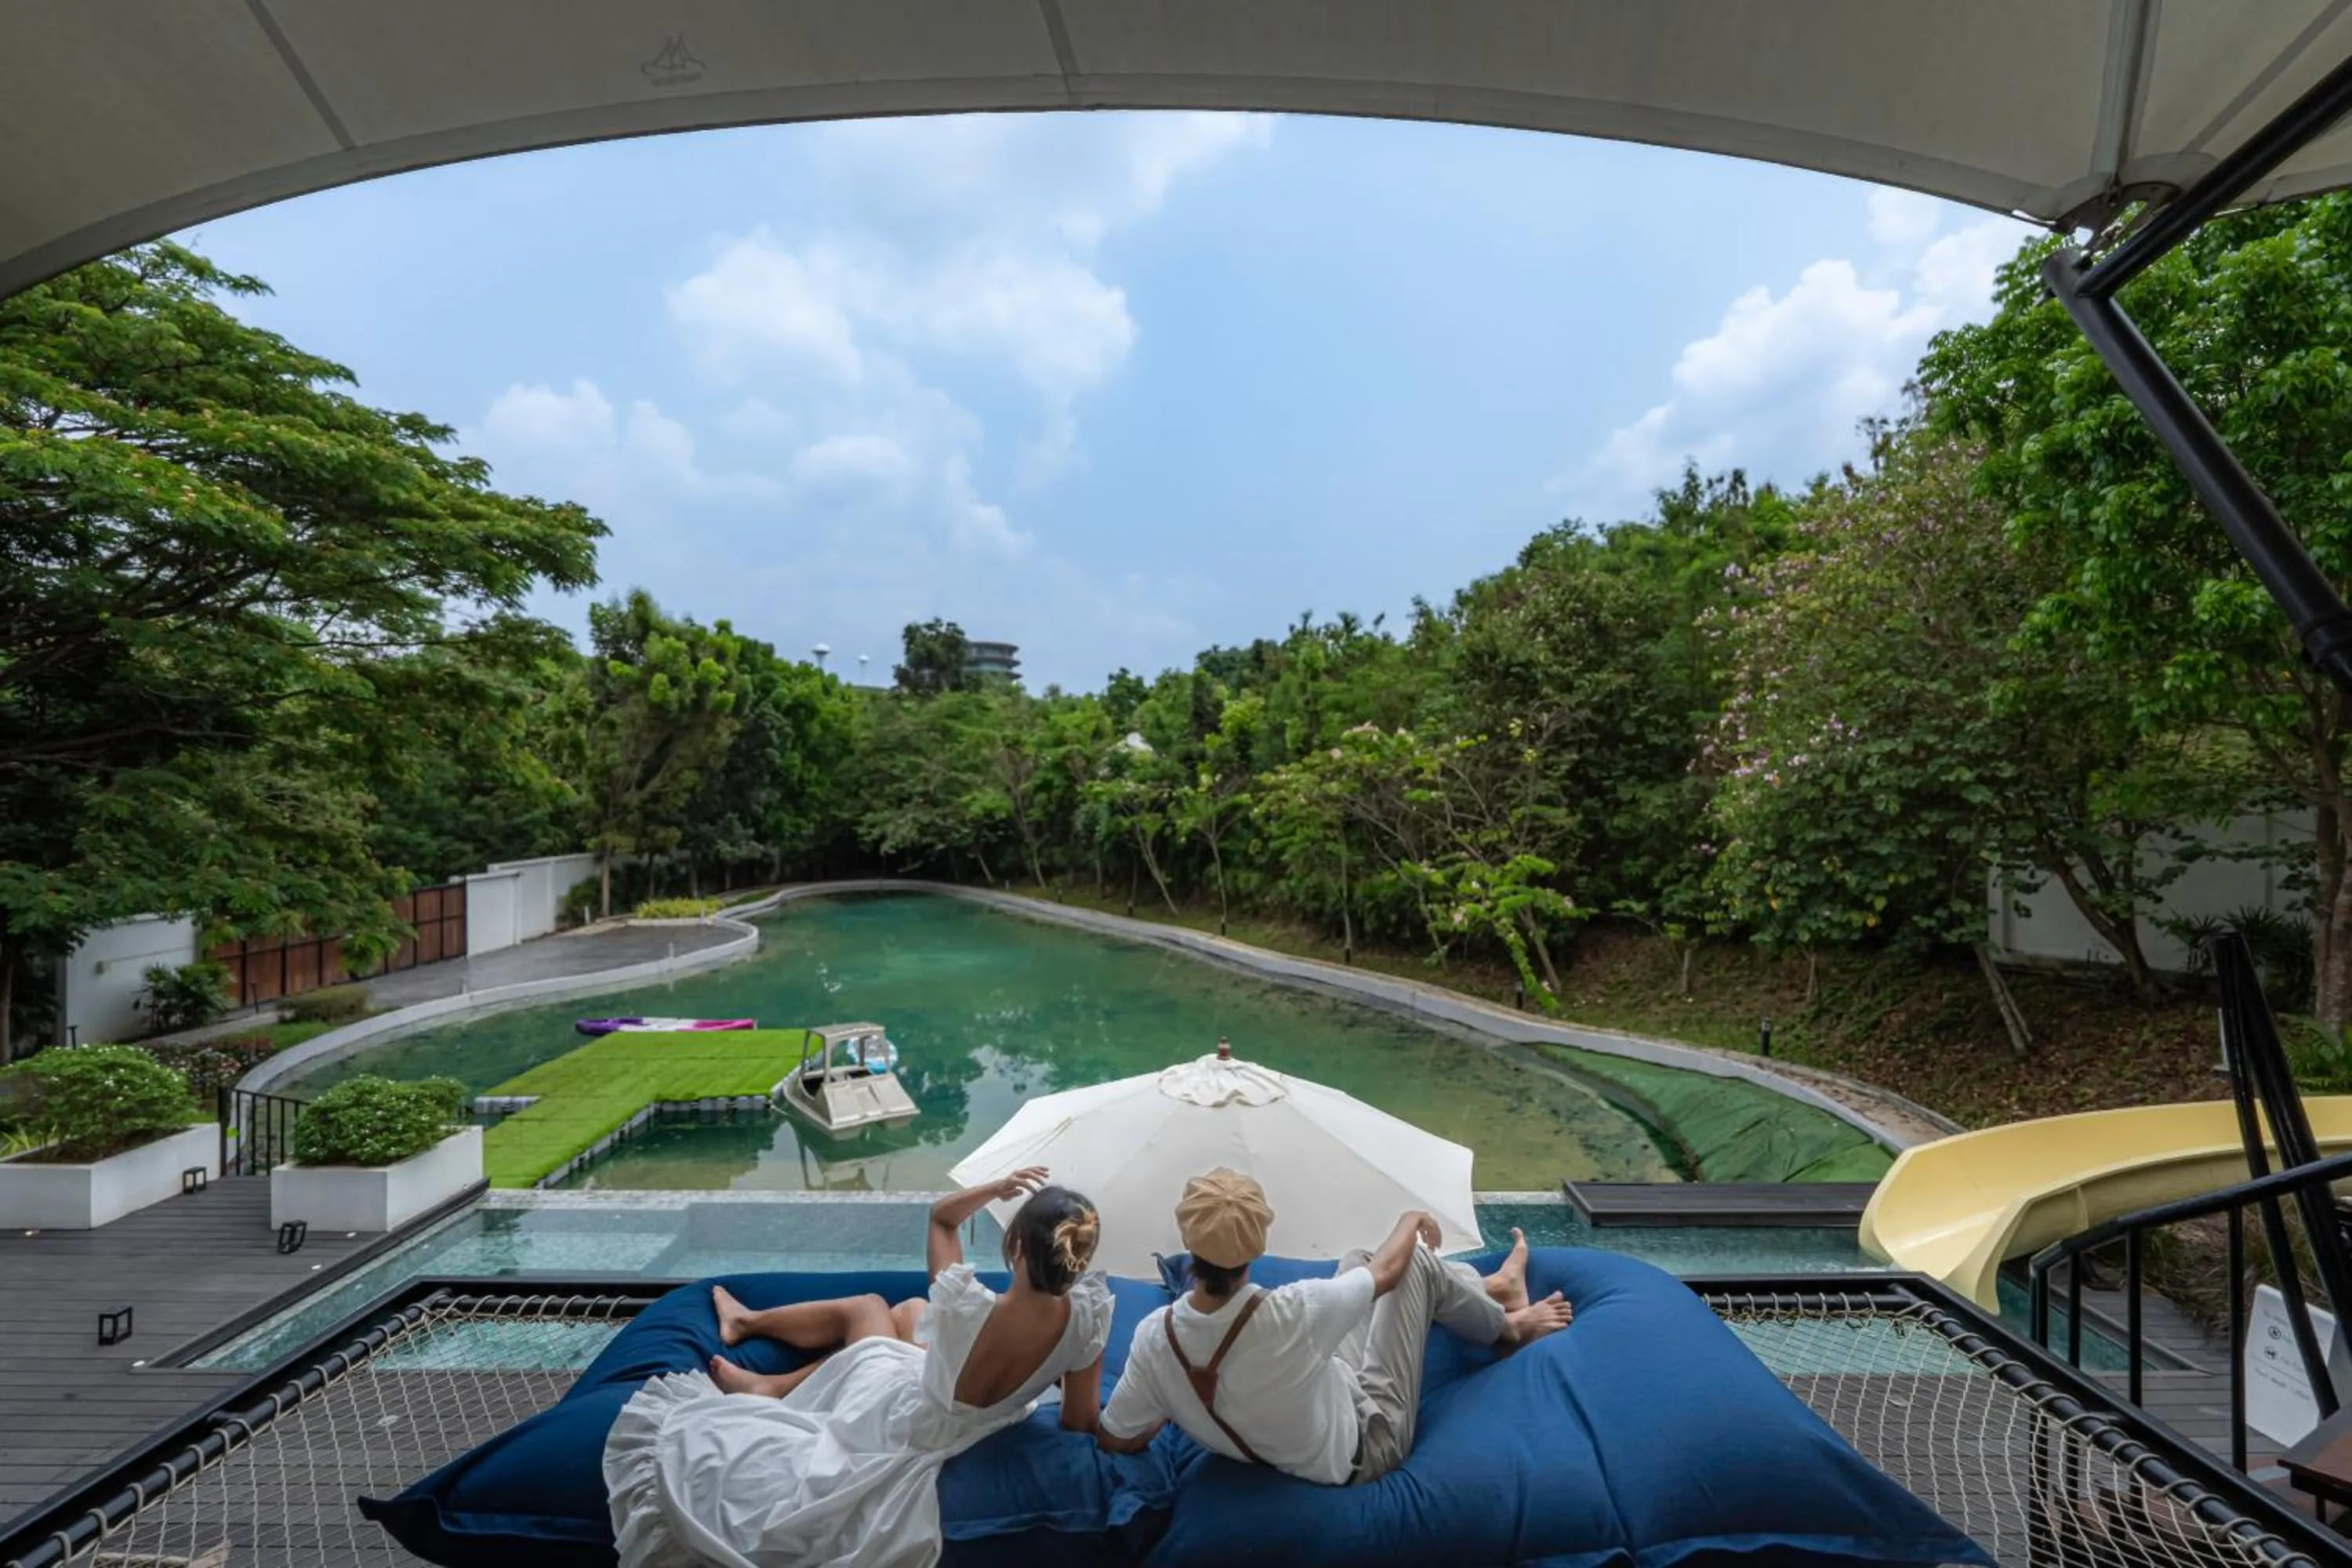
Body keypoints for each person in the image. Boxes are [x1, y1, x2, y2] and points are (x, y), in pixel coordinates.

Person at [604, 1168, 1111, 1568]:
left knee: (869, 1308)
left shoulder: (966, 1307)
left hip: (905, 1419)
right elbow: (1080, 1419)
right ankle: (771, 1383)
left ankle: (748, 1323)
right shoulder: (1088, 1321)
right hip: (977, 1425)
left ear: (1017, 1246)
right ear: (1077, 1263)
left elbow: (941, 1218)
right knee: (909, 1314)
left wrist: (998, 1187)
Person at [1094, 1167, 1571, 1486]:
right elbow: (1389, 1274)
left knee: (1356, 1261)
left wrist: (1175, 1399)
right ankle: (1511, 1329)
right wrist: (1412, 1218)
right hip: (1368, 1440)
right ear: (1257, 1245)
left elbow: (1117, 1436)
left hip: (1324, 1386)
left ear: (1188, 1241)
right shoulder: (1292, 1311)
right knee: (1414, 1266)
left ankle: (1492, 1287)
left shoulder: (1156, 1337)